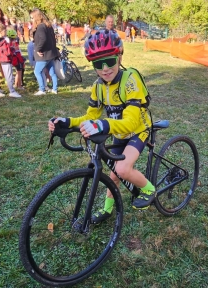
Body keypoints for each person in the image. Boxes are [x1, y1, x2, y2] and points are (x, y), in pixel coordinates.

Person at [48, 30, 155, 224]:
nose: (105, 69)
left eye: (110, 61)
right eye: (98, 64)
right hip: (118, 132)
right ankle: (107, 209)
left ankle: (149, 189)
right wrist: (67, 122)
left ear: (119, 56)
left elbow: (130, 123)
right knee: (113, 174)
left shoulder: (130, 79)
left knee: (122, 169)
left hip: (138, 130)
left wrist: (102, 124)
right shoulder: (99, 86)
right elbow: (91, 116)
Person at [30, 8, 58, 95]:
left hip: (44, 54)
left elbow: (43, 39)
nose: (31, 20)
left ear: (36, 17)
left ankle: (42, 89)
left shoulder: (41, 26)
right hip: (50, 53)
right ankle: (55, 89)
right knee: (52, 72)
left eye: (32, 18)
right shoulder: (48, 26)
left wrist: (38, 49)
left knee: (37, 71)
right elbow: (53, 39)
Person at [0, 23, 21, 98]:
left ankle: (11, 89)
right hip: (6, 60)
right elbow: (7, 52)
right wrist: (12, 49)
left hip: (1, 59)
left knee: (8, 75)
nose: (6, 32)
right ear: (0, 31)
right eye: (4, 31)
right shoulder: (3, 41)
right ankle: (12, 91)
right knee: (9, 76)